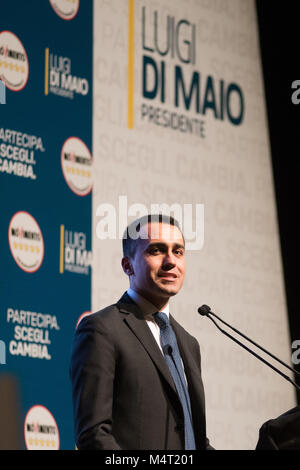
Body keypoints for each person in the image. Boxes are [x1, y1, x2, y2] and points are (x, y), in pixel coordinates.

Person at [70, 214, 212, 450]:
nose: (171, 261)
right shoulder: (102, 329)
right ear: (128, 265)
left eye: (178, 251)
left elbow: (195, 440)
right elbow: (94, 435)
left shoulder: (189, 344)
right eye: (156, 250)